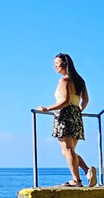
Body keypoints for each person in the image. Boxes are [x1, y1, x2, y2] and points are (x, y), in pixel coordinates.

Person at [37, 53, 96, 187]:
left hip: (64, 115)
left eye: (58, 63)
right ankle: (87, 171)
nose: (55, 66)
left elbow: (65, 101)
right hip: (76, 114)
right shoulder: (80, 80)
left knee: (67, 150)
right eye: (54, 64)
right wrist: (79, 111)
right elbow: (86, 100)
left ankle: (77, 180)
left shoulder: (64, 81)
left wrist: (47, 108)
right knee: (68, 150)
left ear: (65, 64)